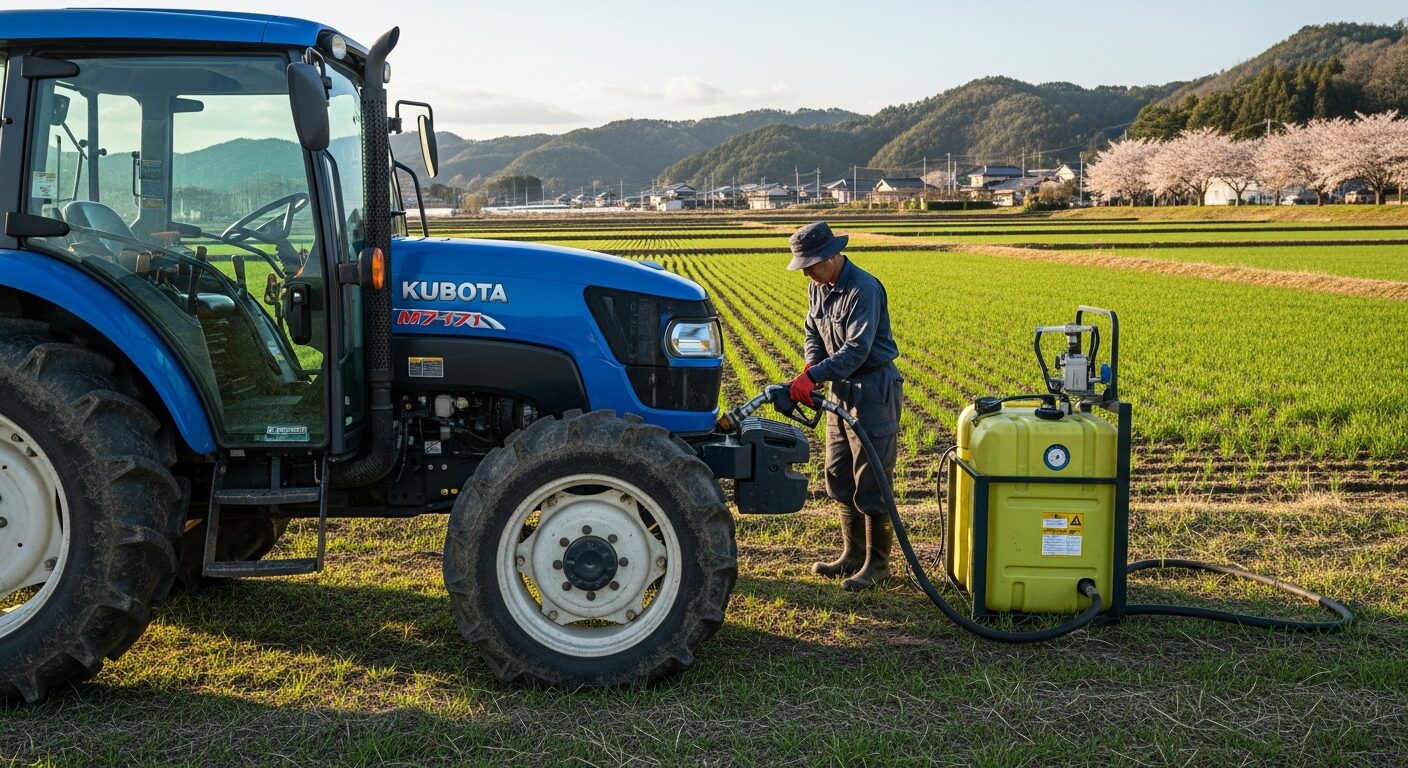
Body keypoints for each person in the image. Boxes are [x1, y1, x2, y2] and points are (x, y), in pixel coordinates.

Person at [785, 221, 903, 591]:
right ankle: (851, 555)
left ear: (834, 256)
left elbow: (857, 349)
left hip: (872, 387)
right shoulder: (817, 287)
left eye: (811, 264)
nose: (806, 271)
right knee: (839, 473)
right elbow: (812, 332)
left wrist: (815, 375)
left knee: (872, 477)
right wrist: (811, 366)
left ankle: (877, 564)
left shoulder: (863, 288)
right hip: (840, 388)